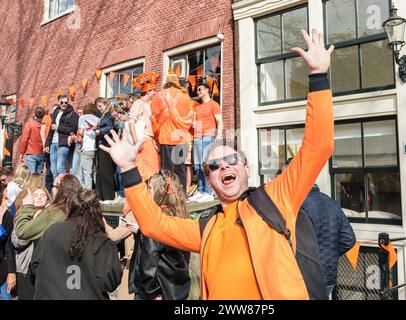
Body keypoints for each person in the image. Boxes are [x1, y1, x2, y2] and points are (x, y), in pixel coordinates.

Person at [101, 29, 334, 299]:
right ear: (209, 181)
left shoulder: (276, 198)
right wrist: (129, 169)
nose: (224, 167)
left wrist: (318, 76)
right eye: (214, 166)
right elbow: (155, 225)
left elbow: (318, 146)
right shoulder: (206, 226)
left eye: (231, 160)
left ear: (246, 169)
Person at [30, 189, 122, 300]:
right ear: (97, 211)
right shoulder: (100, 240)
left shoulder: (52, 231)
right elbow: (109, 281)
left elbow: (35, 265)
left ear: (71, 208)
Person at [127, 170, 191, 300]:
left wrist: (153, 292)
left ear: (160, 190)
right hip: (174, 288)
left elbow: (149, 260)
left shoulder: (155, 221)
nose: (147, 192)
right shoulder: (180, 216)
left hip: (154, 291)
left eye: (150, 188)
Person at [300, 183, 356, 299]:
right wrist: (331, 253)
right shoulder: (333, 203)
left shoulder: (300, 205)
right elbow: (349, 240)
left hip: (308, 275)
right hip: (329, 275)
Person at [151, 68, 193, 191]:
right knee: (180, 168)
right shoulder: (185, 96)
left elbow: (154, 117)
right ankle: (182, 194)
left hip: (165, 137)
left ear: (166, 81)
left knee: (166, 169)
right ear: (177, 82)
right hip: (180, 138)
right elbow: (189, 117)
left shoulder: (160, 96)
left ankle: (168, 193)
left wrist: (156, 135)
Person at [14, 174, 81, 243]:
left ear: (60, 190)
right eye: (36, 195)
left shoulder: (54, 212)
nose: (52, 189)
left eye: (54, 186)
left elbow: (22, 231)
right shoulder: (80, 210)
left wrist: (27, 206)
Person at [11, 186, 52, 300]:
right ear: (29, 199)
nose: (39, 198)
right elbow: (17, 242)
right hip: (26, 269)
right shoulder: (23, 216)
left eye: (42, 195)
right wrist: (34, 221)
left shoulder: (52, 217)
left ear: (48, 199)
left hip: (46, 268)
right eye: (35, 195)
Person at [189, 83, 223, 203]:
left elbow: (219, 121)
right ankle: (201, 190)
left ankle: (208, 192)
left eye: (200, 89)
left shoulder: (214, 104)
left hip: (208, 137)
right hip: (198, 137)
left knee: (206, 165)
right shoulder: (197, 107)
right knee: (198, 166)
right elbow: (194, 123)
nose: (198, 92)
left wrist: (219, 135)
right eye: (197, 90)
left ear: (207, 90)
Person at [128, 72, 160, 182]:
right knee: (145, 169)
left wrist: (154, 141)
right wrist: (136, 141)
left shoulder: (150, 104)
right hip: (142, 140)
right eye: (154, 90)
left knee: (154, 167)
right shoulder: (138, 103)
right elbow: (131, 122)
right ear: (148, 91)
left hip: (149, 140)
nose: (156, 93)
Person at [45, 95, 79, 181]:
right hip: (53, 143)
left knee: (60, 168)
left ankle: (62, 190)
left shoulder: (72, 114)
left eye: (66, 102)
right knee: (53, 170)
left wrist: (58, 128)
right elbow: (51, 129)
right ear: (58, 102)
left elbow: (73, 129)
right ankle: (56, 189)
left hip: (63, 143)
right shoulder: (55, 113)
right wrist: (47, 143)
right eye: (62, 102)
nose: (64, 104)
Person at [95, 99, 117, 202]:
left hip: (107, 144)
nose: (98, 109)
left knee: (106, 170)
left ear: (105, 104)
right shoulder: (104, 115)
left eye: (100, 106)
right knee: (100, 171)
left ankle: (108, 196)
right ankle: (100, 195)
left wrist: (100, 130)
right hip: (101, 144)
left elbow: (110, 127)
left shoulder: (109, 115)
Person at [77, 103, 100, 190]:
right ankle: (98, 192)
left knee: (87, 173)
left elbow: (81, 132)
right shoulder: (98, 119)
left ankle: (89, 194)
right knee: (95, 172)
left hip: (86, 147)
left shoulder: (82, 118)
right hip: (96, 148)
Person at [19, 107, 46, 173]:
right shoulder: (45, 126)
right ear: (43, 115)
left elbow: (24, 140)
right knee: (39, 176)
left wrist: (22, 152)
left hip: (31, 153)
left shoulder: (29, 125)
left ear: (35, 115)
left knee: (31, 175)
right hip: (41, 153)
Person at [69, 107, 84, 184]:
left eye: (80, 113)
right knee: (74, 169)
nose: (79, 115)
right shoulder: (78, 124)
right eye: (78, 113)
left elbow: (84, 139)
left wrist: (76, 138)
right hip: (76, 146)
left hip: (82, 147)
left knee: (79, 171)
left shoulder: (85, 123)